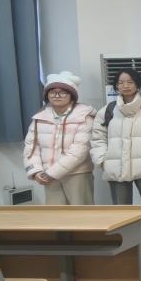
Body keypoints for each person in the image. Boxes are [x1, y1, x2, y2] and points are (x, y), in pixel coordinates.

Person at [91, 69, 141, 265]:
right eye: (120, 82)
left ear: (137, 84)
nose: (125, 85)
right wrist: (103, 160)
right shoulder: (107, 110)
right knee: (122, 212)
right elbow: (97, 138)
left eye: (129, 82)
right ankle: (126, 251)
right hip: (116, 167)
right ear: (116, 86)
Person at [24, 71, 96, 205]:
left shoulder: (84, 116)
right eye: (52, 92)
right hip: (47, 175)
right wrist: (36, 171)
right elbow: (31, 148)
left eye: (62, 92)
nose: (56, 96)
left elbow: (80, 151)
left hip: (77, 174)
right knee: (55, 214)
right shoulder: (39, 117)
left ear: (72, 95)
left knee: (82, 214)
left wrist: (53, 173)